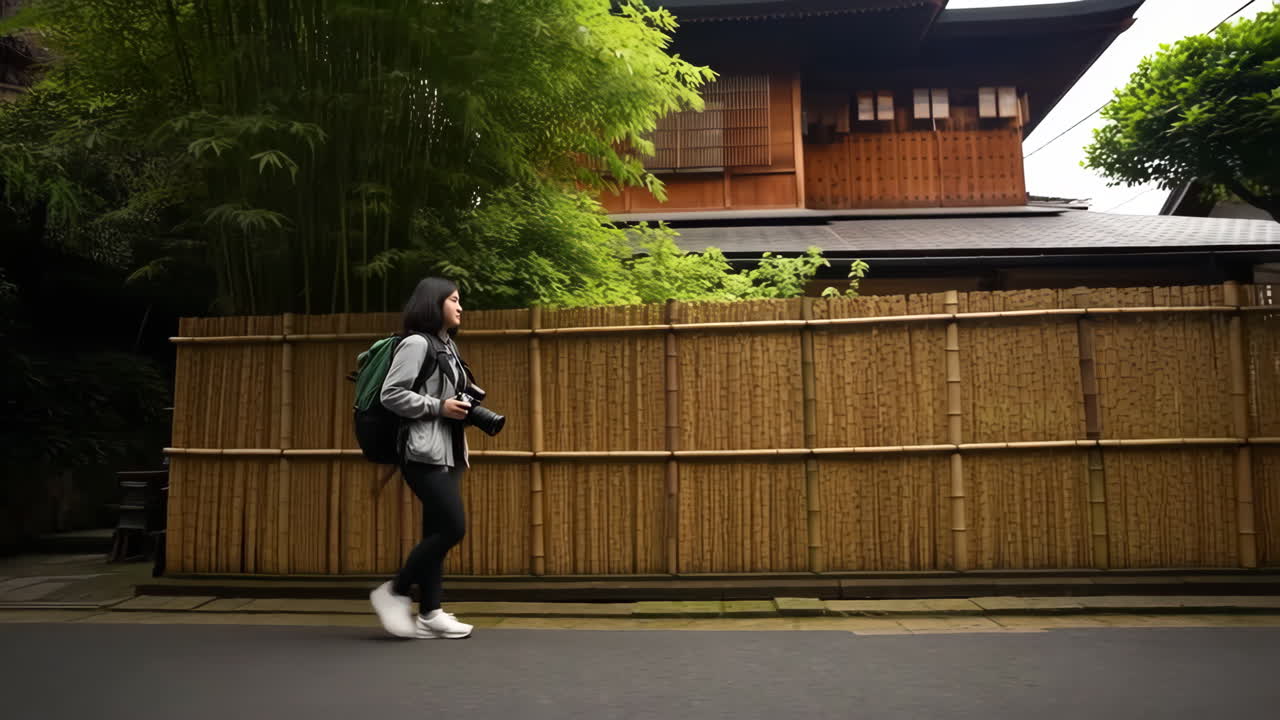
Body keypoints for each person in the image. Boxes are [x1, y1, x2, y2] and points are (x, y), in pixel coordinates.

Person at [369, 277, 475, 640]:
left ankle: (430, 612)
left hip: (446, 451)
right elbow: (391, 394)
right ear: (434, 303)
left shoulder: (447, 347)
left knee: (435, 531)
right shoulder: (416, 343)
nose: (460, 307)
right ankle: (395, 592)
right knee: (452, 527)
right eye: (454, 300)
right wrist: (438, 406)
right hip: (421, 452)